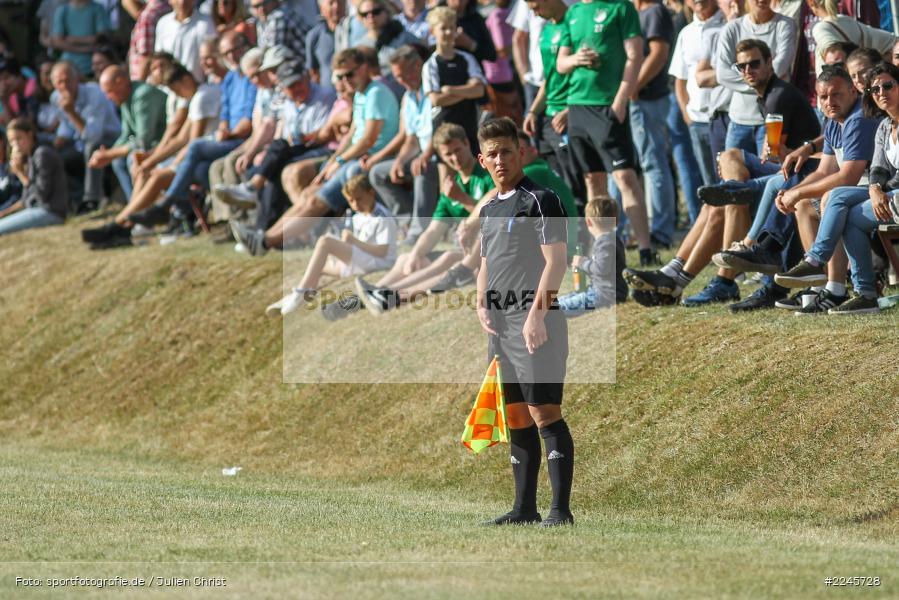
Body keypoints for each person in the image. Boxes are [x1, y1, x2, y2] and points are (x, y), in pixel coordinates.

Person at [624, 39, 820, 307]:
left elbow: (781, 158)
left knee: (727, 181)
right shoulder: (767, 95)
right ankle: (676, 277)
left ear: (769, 63)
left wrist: (776, 153)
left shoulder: (779, 96)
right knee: (722, 189)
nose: (748, 70)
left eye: (754, 63)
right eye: (742, 66)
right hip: (789, 171)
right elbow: (780, 155)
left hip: (803, 175)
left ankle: (696, 278)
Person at [715, 65, 878, 312]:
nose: (829, 102)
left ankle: (817, 271)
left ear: (853, 91)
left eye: (836, 94)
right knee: (803, 205)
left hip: (873, 188)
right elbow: (825, 170)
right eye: (823, 97)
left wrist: (798, 191)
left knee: (827, 199)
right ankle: (821, 286)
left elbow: (848, 176)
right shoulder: (834, 120)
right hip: (853, 190)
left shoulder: (858, 118)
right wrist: (793, 194)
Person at [476, 117, 572, 527]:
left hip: (534, 320)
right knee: (515, 414)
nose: (500, 160)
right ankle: (524, 509)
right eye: (492, 154)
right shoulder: (488, 208)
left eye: (507, 152)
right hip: (500, 325)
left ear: (522, 153)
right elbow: (485, 263)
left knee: (543, 412)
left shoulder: (541, 199)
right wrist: (481, 303)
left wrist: (537, 315)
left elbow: (557, 262)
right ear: (482, 160)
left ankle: (559, 510)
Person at [231, 48, 399, 254]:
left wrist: (338, 162)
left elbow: (367, 140)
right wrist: (331, 164)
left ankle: (265, 242)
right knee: (308, 193)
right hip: (354, 159)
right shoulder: (361, 94)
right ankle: (262, 236)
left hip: (367, 160)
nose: (345, 81)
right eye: (340, 76)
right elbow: (351, 137)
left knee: (313, 199)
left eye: (350, 74)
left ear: (364, 69)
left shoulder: (376, 93)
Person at [773, 62, 899, 314]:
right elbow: (879, 168)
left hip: (893, 194)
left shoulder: (863, 120)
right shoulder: (885, 126)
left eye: (888, 86)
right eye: (875, 90)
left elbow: (854, 174)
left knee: (837, 197)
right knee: (845, 210)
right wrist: (875, 188)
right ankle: (864, 293)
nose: (881, 93)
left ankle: (816, 262)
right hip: (889, 194)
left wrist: (878, 189)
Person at [556, 0, 656, 265]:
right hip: (578, 105)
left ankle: (645, 249)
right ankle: (602, 248)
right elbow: (561, 64)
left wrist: (621, 99)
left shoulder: (621, 7)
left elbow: (635, 55)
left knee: (624, 177)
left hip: (608, 105)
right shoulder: (574, 12)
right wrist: (577, 59)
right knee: (592, 180)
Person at [81, 63, 221, 246]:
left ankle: (119, 225)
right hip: (186, 157)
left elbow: (190, 143)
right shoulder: (193, 99)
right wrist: (150, 160)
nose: (175, 96)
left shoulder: (200, 97)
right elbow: (177, 140)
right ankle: (125, 225)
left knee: (153, 175)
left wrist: (163, 163)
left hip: (198, 159)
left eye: (174, 89)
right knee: (145, 170)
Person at [131, 32, 256, 226]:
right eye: (226, 52)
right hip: (226, 139)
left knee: (194, 149)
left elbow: (246, 121)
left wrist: (165, 163)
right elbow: (225, 115)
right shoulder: (230, 79)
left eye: (235, 50)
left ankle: (166, 206)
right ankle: (229, 222)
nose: (231, 55)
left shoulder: (247, 79)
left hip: (242, 139)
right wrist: (153, 159)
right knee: (200, 169)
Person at [266, 174, 398, 316]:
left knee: (325, 242)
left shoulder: (382, 217)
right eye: (351, 201)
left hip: (379, 262)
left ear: (371, 193)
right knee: (318, 266)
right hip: (363, 260)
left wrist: (354, 242)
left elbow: (382, 252)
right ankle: (299, 295)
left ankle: (300, 294)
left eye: (359, 199)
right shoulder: (359, 216)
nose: (355, 205)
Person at [367, 46, 437, 243]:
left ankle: (418, 231)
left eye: (404, 74)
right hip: (420, 151)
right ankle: (405, 222)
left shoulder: (433, 91)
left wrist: (424, 155)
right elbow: (411, 139)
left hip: (438, 154)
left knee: (422, 168)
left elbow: (440, 131)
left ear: (417, 66)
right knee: (378, 173)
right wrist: (399, 161)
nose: (401, 80)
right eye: (398, 77)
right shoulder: (407, 98)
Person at [715, 0, 797, 155]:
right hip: (739, 120)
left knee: (770, 174)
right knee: (733, 174)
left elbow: (780, 68)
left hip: (772, 121)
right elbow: (722, 74)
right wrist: (761, 83)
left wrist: (742, 78)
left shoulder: (785, 25)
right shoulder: (732, 28)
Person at [668, 0, 725, 195]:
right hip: (696, 121)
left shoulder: (729, 26)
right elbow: (680, 79)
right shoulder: (686, 33)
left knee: (729, 181)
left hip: (724, 118)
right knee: (709, 184)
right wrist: (686, 113)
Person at [88, 65, 168, 199]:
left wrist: (110, 154)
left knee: (133, 159)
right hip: (153, 144)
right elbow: (126, 135)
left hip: (164, 145)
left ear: (120, 82)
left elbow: (144, 140)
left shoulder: (143, 95)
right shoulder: (126, 98)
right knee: (117, 161)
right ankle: (136, 204)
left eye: (109, 92)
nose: (108, 97)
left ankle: (140, 206)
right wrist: (107, 153)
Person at [50, 60, 121, 212]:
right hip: (80, 142)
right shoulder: (55, 97)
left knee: (92, 148)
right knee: (52, 156)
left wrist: (71, 112)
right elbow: (66, 129)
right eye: (59, 82)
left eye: (68, 80)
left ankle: (92, 199)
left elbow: (93, 136)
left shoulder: (94, 93)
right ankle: (75, 199)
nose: (64, 86)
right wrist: (54, 146)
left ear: (77, 79)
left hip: (111, 140)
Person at [423, 6, 487, 153]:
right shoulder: (430, 65)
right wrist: (466, 90)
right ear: (433, 31)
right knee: (447, 174)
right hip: (444, 130)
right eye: (443, 28)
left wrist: (450, 90)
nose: (448, 32)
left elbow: (479, 91)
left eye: (452, 28)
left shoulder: (466, 58)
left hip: (470, 127)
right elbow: (437, 100)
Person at [559, 195, 627, 316]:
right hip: (601, 290)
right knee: (564, 299)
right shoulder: (611, 239)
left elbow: (602, 269)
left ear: (588, 221)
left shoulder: (605, 243)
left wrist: (582, 263)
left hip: (606, 294)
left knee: (560, 308)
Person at [0, 118, 68, 236]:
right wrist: (4, 213)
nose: (16, 145)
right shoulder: (31, 156)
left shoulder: (42, 154)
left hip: (51, 212)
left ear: (30, 135)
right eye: (11, 141)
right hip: (37, 210)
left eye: (19, 138)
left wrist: (21, 174)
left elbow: (41, 195)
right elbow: (26, 199)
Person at [810, 0, 897, 74]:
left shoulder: (820, 28)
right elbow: (894, 41)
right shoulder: (849, 22)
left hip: (841, 89)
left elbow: (835, 55)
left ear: (811, 3)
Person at [356, 0, 422, 78]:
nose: (370, 16)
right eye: (364, 14)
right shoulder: (359, 46)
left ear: (386, 12)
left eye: (376, 12)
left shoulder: (404, 36)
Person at [154, 0, 216, 83]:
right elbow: (159, 58)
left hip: (197, 88)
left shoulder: (207, 23)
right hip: (168, 89)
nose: (182, 2)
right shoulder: (163, 23)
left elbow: (211, 59)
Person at [49, 0, 112, 77]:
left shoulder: (97, 8)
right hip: (68, 68)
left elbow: (102, 37)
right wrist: (86, 48)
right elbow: (57, 41)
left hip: (93, 68)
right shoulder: (62, 10)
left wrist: (73, 40)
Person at [483, 0, 522, 123]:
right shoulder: (510, 12)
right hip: (506, 73)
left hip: (496, 75)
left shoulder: (497, 15)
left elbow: (502, 49)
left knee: (504, 121)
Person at [252, 0, 309, 65]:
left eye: (265, 3)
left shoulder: (279, 16)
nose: (261, 9)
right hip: (293, 66)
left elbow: (273, 54)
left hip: (303, 66)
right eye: (256, 6)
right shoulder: (261, 22)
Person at [127, 0, 172, 81]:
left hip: (149, 82)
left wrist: (138, 86)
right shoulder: (169, 6)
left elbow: (146, 56)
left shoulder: (150, 14)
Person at [306, 0, 345, 88]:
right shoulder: (314, 36)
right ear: (321, 9)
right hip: (329, 94)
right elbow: (314, 72)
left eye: (340, 2)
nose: (336, 6)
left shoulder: (354, 29)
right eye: (331, 3)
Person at [444, 0, 497, 65]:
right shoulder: (438, 18)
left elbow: (492, 55)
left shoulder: (476, 19)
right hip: (446, 70)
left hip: (474, 72)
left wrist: (470, 44)